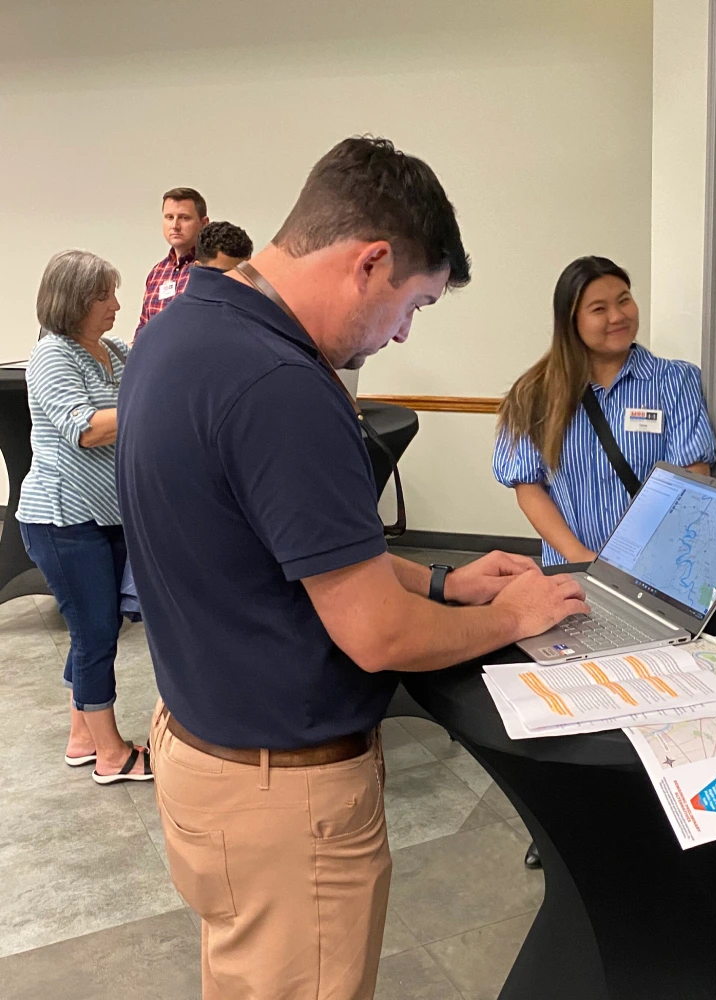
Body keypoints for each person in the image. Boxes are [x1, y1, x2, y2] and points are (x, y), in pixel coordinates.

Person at [116, 136, 588, 1000]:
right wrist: (516, 616)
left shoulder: (181, 324)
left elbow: (299, 557)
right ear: (370, 261)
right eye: (414, 303)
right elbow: (378, 634)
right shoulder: (284, 387)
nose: (403, 332)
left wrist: (445, 583)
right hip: (282, 800)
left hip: (200, 754)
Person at [493, 255, 716, 868]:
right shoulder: (538, 391)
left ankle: (651, 821)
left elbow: (692, 478)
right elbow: (527, 484)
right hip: (569, 577)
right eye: (600, 306)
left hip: (657, 580)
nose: (619, 315)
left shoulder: (675, 380)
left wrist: (658, 561)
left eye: (624, 299)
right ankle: (563, 831)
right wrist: (581, 560)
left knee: (656, 702)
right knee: (576, 705)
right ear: (571, 319)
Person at [17, 250, 152, 785]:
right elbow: (87, 428)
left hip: (104, 516)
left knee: (95, 630)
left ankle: (82, 737)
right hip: (60, 519)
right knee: (95, 633)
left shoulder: (113, 351)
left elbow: (156, 370)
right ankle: (110, 755)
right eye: (104, 296)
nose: (116, 305)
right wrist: (157, 406)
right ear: (72, 301)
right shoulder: (53, 356)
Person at [135, 186, 208, 335]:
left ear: (203, 223)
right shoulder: (157, 273)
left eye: (184, 218)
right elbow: (143, 329)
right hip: (156, 357)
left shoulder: (212, 269)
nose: (175, 226)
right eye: (169, 217)